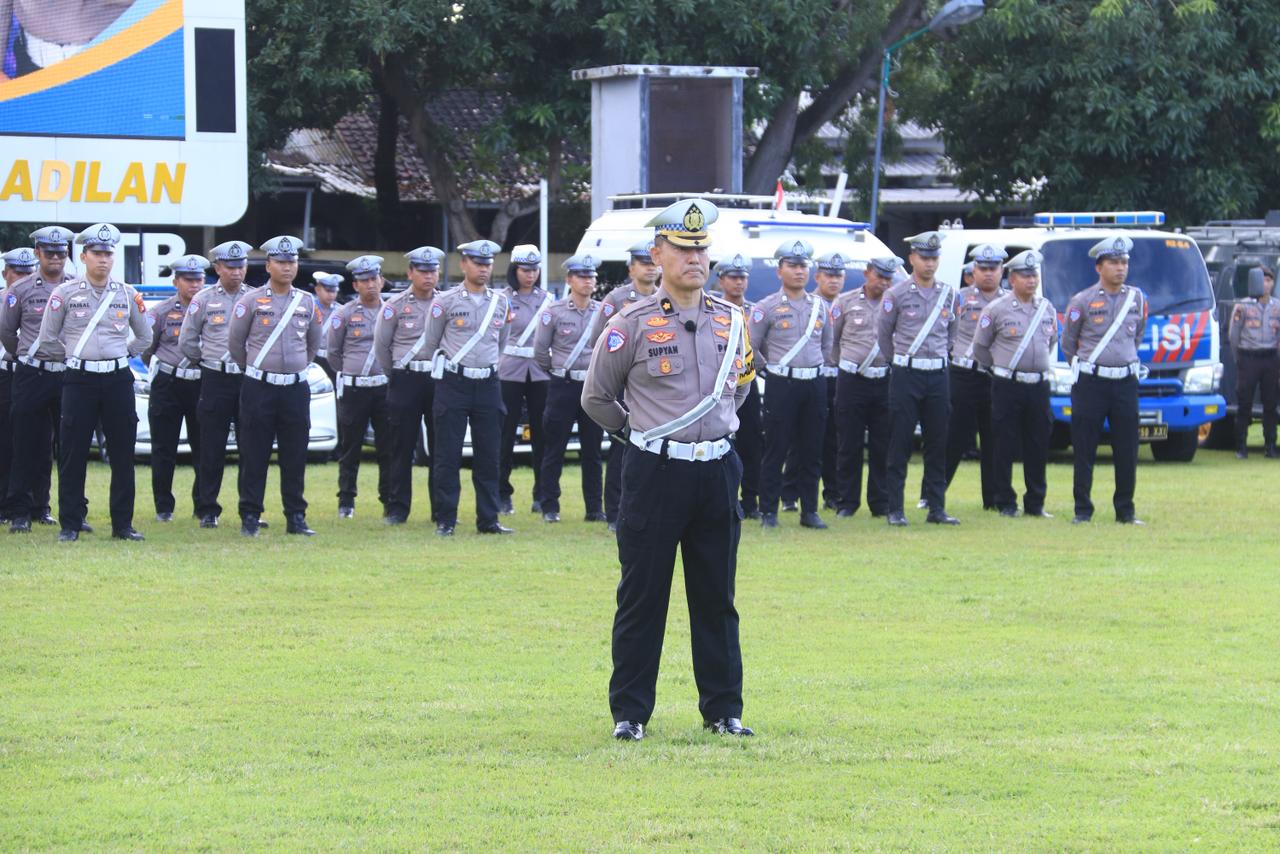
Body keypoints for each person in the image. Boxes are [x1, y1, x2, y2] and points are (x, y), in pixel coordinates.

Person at [582, 198, 755, 741]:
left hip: (717, 471)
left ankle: (724, 711)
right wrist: (640, 435)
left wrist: (712, 431)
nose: (695, 258)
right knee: (643, 596)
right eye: (682, 249)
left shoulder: (733, 319)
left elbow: (740, 388)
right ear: (658, 254)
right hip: (654, 473)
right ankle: (630, 714)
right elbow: (597, 397)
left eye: (701, 249)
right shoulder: (630, 324)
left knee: (716, 598)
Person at [38, 223, 150, 541]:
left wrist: (121, 355)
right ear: (84, 256)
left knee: (123, 454)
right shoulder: (64, 294)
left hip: (117, 380)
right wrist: (74, 357)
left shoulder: (127, 294)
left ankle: (122, 525)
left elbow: (145, 336)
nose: (103, 259)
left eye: (108, 254)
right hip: (79, 380)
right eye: (97, 253)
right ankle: (70, 524)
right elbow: (47, 339)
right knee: (73, 453)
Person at [227, 235, 324, 537]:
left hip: (295, 388)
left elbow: (313, 344)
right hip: (259, 387)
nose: (287, 267)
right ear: (268, 265)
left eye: (291, 262)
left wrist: (295, 366)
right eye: (281, 262)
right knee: (254, 453)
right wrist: (257, 369)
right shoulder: (250, 301)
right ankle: (250, 515)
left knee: (295, 454)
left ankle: (296, 516)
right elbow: (236, 344)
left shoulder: (307, 301)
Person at [421, 239, 512, 536]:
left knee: (489, 454)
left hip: (488, 383)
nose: (483, 269)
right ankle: (446, 519)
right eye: (477, 263)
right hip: (454, 382)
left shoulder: (500, 302)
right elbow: (432, 343)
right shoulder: (445, 301)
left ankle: (488, 519)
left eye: (488, 264)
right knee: (447, 454)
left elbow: (501, 341)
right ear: (464, 264)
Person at [1060, 234, 1147, 525]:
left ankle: (1126, 510)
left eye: (1124, 262)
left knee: (1127, 448)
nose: (1120, 268)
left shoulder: (1137, 299)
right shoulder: (1082, 301)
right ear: (1099, 267)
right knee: (1084, 447)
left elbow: (1137, 335)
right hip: (1091, 383)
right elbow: (1068, 343)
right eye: (1113, 262)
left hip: (1125, 382)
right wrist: (1088, 367)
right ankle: (1082, 510)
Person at [748, 239, 834, 530]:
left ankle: (809, 511)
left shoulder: (820, 306)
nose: (799, 271)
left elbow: (827, 345)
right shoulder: (766, 307)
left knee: (812, 449)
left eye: (803, 266)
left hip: (814, 383)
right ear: (779, 270)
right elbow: (751, 346)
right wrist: (771, 370)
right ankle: (768, 511)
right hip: (781, 384)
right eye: (793, 266)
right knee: (776, 449)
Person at [878, 231, 959, 526]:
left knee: (937, 442)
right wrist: (899, 362)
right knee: (899, 442)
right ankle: (895, 509)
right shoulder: (896, 294)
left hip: (938, 374)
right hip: (907, 374)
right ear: (912, 258)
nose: (930, 263)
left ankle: (936, 508)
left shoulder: (949, 294)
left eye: (934, 258)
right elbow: (883, 335)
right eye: (924, 257)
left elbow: (952, 332)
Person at [971, 250, 1058, 517]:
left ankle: (1035, 503)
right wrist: (1001, 367)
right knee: (1003, 444)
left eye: (1034, 275)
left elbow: (1051, 341)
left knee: (1038, 444)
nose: (1031, 280)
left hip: (1038, 385)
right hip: (1007, 384)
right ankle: (1005, 501)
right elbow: (980, 347)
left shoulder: (1046, 308)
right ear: (1012, 279)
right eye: (1025, 275)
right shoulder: (996, 309)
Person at [1, 226, 77, 533]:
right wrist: (25, 356)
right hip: (31, 373)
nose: (55, 257)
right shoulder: (20, 290)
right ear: (38, 253)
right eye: (49, 252)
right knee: (24, 443)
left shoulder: (77, 287)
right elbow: (7, 332)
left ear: (67, 254)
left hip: (68, 374)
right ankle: (20, 512)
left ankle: (65, 511)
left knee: (67, 447)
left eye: (60, 252)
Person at [178, 240, 256, 529]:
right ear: (218, 268)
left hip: (247, 378)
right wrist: (206, 361)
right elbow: (187, 340)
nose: (236, 272)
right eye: (230, 267)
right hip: (215, 377)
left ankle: (250, 509)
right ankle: (207, 509)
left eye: (241, 266)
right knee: (211, 446)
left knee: (252, 445)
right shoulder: (203, 299)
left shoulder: (256, 297)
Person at [533, 254, 604, 523]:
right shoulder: (554, 312)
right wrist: (557, 372)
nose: (588, 281)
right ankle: (550, 506)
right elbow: (541, 352)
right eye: (582, 276)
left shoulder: (603, 311)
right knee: (554, 448)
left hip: (592, 386)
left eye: (591, 276)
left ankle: (594, 508)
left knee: (593, 451)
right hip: (562, 385)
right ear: (569, 280)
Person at [377, 246, 444, 526]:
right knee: (401, 446)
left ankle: (441, 509)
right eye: (423, 271)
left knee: (441, 447)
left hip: (438, 378)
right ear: (410, 273)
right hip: (405, 378)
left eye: (433, 271)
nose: (428, 276)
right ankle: (397, 508)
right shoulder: (394, 305)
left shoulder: (446, 302)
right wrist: (396, 374)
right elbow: (382, 346)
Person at [597, 240, 662, 531]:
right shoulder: (617, 299)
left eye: (652, 262)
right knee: (622, 448)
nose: (649, 268)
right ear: (631, 268)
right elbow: (599, 340)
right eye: (643, 263)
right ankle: (614, 511)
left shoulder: (667, 296)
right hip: (627, 382)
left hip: (659, 384)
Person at [830, 256, 897, 518]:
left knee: (883, 444)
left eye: (889, 278)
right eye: (880, 276)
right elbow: (832, 341)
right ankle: (846, 502)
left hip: (884, 379)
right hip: (852, 380)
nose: (884, 282)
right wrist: (848, 364)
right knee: (849, 443)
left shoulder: (896, 302)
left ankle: (881, 502)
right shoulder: (844, 302)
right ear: (867, 273)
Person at [143, 254, 208, 522]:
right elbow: (147, 348)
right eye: (188, 280)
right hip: (168, 383)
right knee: (164, 448)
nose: (194, 285)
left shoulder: (211, 308)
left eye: (198, 279)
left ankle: (203, 505)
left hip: (202, 382)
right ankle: (163, 507)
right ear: (176, 282)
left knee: (204, 447)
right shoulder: (160, 312)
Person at [781, 251, 844, 511]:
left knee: (832, 440)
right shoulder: (808, 303)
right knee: (800, 440)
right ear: (817, 276)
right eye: (829, 275)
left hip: (838, 379)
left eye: (839, 275)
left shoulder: (847, 303)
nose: (834, 280)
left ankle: (832, 494)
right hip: (811, 378)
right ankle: (790, 493)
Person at [329, 255, 391, 517]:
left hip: (384, 388)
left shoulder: (392, 311)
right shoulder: (343, 314)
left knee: (387, 447)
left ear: (381, 280)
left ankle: (389, 500)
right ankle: (346, 501)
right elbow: (333, 354)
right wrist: (352, 372)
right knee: (350, 447)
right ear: (355, 285)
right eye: (364, 281)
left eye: (374, 279)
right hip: (355, 389)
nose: (370, 284)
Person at [945, 243, 1006, 510]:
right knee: (955, 436)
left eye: (993, 268)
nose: (988, 273)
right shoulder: (958, 298)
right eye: (983, 268)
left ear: (1002, 270)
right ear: (973, 271)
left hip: (996, 375)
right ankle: (933, 493)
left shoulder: (1010, 301)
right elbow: (944, 329)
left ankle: (993, 499)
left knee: (994, 438)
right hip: (964, 374)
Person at [498, 244, 553, 514]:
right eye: (524, 270)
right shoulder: (502, 299)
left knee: (542, 434)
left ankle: (541, 494)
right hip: (509, 371)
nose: (530, 275)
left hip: (540, 372)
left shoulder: (548, 299)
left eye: (534, 270)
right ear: (514, 270)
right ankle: (501, 493)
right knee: (505, 433)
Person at [714, 254, 762, 519]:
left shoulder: (754, 311)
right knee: (719, 439)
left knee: (751, 442)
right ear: (721, 280)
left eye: (742, 277)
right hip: (718, 385)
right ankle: (724, 496)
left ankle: (751, 499)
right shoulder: (712, 310)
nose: (739, 282)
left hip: (746, 382)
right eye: (733, 277)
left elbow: (763, 345)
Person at [0, 248, 37, 522]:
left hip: (31, 374)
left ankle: (39, 506)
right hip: (4, 373)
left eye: (28, 272)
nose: (23, 278)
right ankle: (4, 505)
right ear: (5, 274)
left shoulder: (43, 298)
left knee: (37, 443)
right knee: (5, 442)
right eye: (18, 273)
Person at [1227, 266, 1280, 459]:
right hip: (1249, 357)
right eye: (1262, 280)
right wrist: (1239, 358)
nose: (1265, 284)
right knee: (1244, 403)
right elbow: (1233, 334)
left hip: (1270, 358)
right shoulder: (1243, 306)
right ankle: (1241, 446)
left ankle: (1270, 445)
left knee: (1270, 404)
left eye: (1269, 280)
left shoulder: (1277, 307)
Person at [312, 272, 341, 383]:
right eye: (328, 291)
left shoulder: (341, 311)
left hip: (333, 360)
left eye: (334, 291)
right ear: (318, 290)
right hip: (313, 358)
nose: (331, 295)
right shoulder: (309, 308)